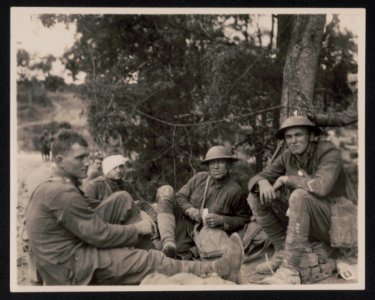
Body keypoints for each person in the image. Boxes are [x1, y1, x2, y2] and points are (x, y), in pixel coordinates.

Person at [25, 129, 244, 285]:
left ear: (228, 165)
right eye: (80, 158)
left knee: (122, 198)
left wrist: (141, 211)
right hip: (73, 267)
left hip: (67, 254)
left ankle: (155, 257)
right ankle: (215, 269)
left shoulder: (54, 184)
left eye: (87, 157)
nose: (87, 162)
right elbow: (99, 235)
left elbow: (91, 208)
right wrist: (138, 229)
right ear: (61, 160)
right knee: (147, 260)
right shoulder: (64, 192)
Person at [247, 116, 357, 284]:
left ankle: (289, 272)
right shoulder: (287, 156)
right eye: (288, 137)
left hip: (336, 222)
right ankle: (282, 251)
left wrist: (285, 179)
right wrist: (262, 181)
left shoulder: (328, 152)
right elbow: (258, 177)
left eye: (298, 135)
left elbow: (320, 187)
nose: (293, 141)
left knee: (299, 196)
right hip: (308, 217)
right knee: (256, 197)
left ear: (311, 136)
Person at [157, 145, 251, 259]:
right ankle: (168, 240)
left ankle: (188, 252)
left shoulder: (235, 191)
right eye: (212, 163)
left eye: (220, 162)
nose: (215, 167)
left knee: (176, 256)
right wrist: (189, 209)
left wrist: (222, 220)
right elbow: (180, 196)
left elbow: (244, 219)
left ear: (229, 165)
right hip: (182, 223)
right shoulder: (200, 178)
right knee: (165, 190)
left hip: (204, 235)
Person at [84, 153, 159, 249]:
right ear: (107, 169)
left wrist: (150, 215)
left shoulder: (126, 185)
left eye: (121, 167)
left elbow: (139, 203)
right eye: (114, 167)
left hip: (128, 224)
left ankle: (154, 248)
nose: (118, 170)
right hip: (105, 228)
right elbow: (89, 212)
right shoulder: (94, 186)